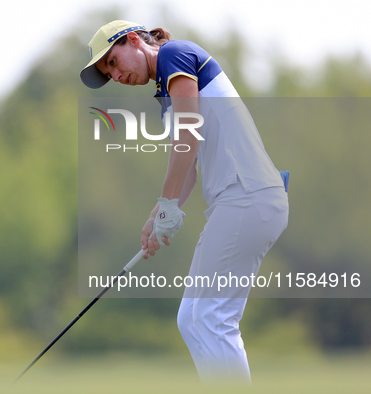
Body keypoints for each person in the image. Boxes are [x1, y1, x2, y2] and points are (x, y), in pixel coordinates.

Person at [80, 20, 289, 383]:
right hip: (240, 200)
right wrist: (156, 217)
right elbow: (188, 164)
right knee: (193, 318)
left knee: (209, 318)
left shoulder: (175, 55)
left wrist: (166, 204)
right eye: (107, 72)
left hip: (247, 195)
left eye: (113, 62)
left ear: (132, 40)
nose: (115, 74)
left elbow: (188, 135)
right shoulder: (166, 92)